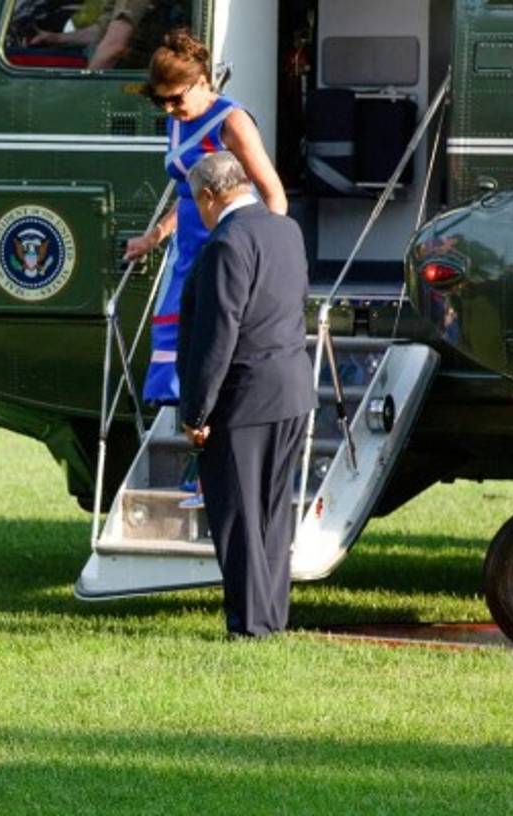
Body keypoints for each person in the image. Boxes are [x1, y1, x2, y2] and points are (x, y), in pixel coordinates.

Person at [176, 151, 314, 639]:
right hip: (292, 389)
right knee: (274, 515)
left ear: (211, 196)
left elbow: (218, 336)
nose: (200, 212)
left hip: (244, 396)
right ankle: (271, 618)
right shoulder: (286, 230)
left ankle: (250, 625)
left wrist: (196, 412)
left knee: (238, 516)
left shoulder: (226, 244)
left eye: (198, 203)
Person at [123, 28, 287, 406]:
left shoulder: (232, 121)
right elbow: (188, 193)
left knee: (212, 336)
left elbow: (274, 195)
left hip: (226, 246)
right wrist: (154, 236)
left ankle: (204, 414)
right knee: (171, 333)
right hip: (186, 249)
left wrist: (269, 255)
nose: (168, 108)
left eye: (175, 99)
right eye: (158, 101)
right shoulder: (176, 119)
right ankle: (182, 420)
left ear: (201, 82)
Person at [28, 0, 151, 70]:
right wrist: (56, 38)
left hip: (124, 75)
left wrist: (86, 86)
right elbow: (101, 32)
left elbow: (114, 47)